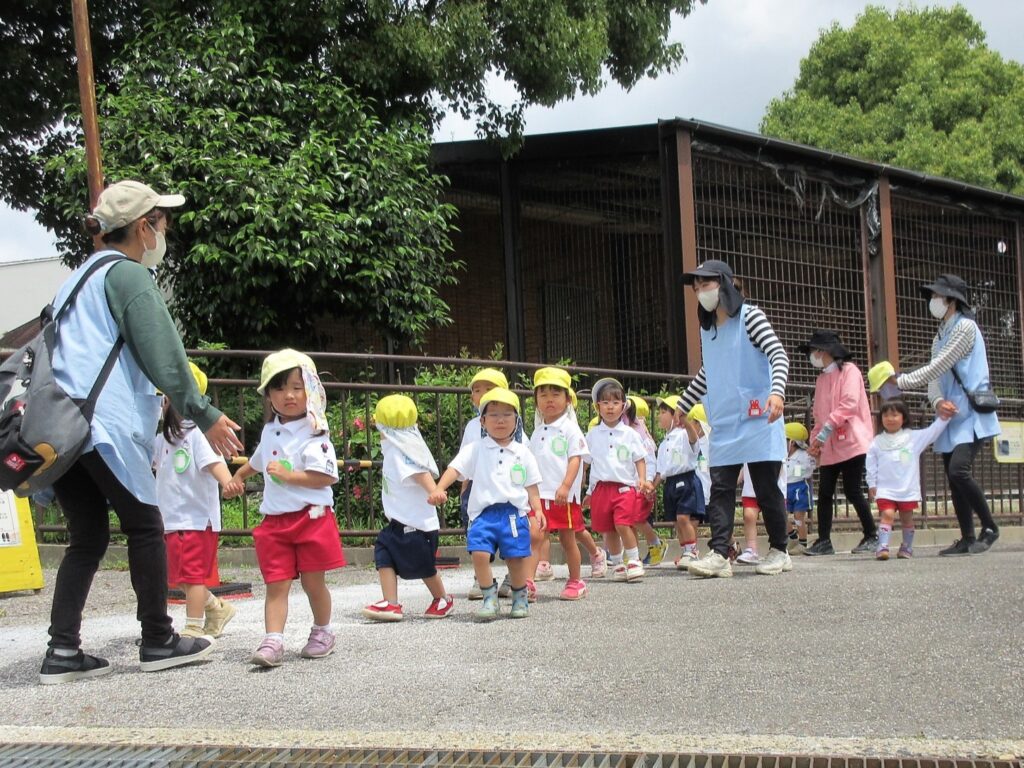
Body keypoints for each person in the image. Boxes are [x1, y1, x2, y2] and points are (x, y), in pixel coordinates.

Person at [40, 180, 242, 685]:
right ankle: (158, 638)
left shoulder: (76, 279)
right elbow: (162, 352)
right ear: (141, 227)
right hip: (101, 423)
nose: (165, 229)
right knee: (147, 526)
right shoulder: (127, 275)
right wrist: (203, 410)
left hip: (61, 425)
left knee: (86, 539)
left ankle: (62, 650)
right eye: (160, 220)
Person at [224, 350, 345, 666]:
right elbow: (258, 460)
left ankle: (323, 631)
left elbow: (326, 476)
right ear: (268, 395)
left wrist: (291, 475)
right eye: (279, 388)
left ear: (311, 390)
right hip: (276, 520)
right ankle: (273, 641)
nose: (289, 395)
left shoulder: (315, 429)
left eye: (297, 387)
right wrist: (238, 477)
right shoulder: (270, 429)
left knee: (312, 582)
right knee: (275, 583)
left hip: (311, 518)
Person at [677, 260, 792, 578]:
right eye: (696, 287)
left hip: (759, 416)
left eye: (707, 284)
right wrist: (683, 403)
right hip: (726, 421)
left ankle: (780, 550)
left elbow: (777, 354)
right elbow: (707, 372)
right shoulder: (708, 328)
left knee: (767, 487)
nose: (701, 292)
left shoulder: (750, 317)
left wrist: (777, 392)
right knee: (721, 487)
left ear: (725, 284)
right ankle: (719, 553)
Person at [890, 274, 1001, 556]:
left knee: (958, 470)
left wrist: (899, 381)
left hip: (972, 413)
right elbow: (934, 381)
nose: (933, 301)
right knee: (952, 477)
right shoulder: (940, 335)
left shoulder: (966, 329)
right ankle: (967, 536)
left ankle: (990, 527)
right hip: (951, 416)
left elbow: (938, 366)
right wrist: (937, 400)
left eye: (937, 296)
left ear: (951, 300)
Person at [431, 389, 545, 620]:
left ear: (517, 420)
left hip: (513, 514)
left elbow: (531, 485)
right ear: (482, 420)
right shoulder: (476, 449)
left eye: (507, 414)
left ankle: (519, 597)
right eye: (493, 415)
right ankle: (489, 599)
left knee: (515, 558)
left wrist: (538, 509)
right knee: (479, 554)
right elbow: (455, 469)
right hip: (482, 514)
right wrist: (439, 487)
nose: (500, 420)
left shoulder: (523, 452)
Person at [154, 362, 236, 639]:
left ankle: (192, 625)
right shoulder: (163, 439)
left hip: (196, 520)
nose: (164, 403)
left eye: (167, 397)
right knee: (179, 578)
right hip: (171, 519)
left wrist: (228, 482)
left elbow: (215, 463)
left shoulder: (199, 435)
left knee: (192, 577)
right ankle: (216, 608)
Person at [362, 395, 454, 621]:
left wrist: (433, 490)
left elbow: (418, 470)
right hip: (398, 522)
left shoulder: (401, 450)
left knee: (423, 566)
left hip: (417, 526)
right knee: (383, 555)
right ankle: (391, 603)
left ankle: (442, 598)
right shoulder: (399, 446)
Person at [798, 329, 879, 556]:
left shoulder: (850, 371)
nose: (812, 356)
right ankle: (824, 540)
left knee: (853, 490)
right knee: (824, 492)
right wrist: (815, 441)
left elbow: (849, 404)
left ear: (824, 352)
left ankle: (872, 534)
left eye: (814, 351)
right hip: (830, 446)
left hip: (852, 441)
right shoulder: (822, 379)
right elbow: (818, 415)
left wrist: (822, 434)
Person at [525, 367, 593, 600]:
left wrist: (565, 486)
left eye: (555, 394)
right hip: (539, 496)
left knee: (567, 539)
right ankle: (528, 582)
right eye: (542, 395)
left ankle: (576, 581)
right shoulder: (537, 432)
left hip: (563, 496)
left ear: (567, 399)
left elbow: (576, 459)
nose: (549, 399)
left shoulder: (570, 428)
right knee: (535, 536)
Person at [582, 378, 652, 582]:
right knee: (607, 528)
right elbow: (587, 465)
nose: (610, 407)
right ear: (598, 407)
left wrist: (641, 479)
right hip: (601, 489)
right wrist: (587, 492)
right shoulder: (593, 435)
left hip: (624, 487)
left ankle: (633, 560)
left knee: (622, 523)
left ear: (623, 406)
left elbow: (639, 458)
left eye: (615, 402)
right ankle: (618, 563)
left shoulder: (630, 434)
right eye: (605, 403)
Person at [865, 399, 950, 560]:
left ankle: (907, 547)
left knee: (907, 518)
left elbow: (932, 431)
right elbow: (870, 464)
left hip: (907, 489)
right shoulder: (877, 441)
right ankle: (882, 546)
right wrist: (872, 483)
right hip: (885, 489)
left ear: (903, 418)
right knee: (887, 515)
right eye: (886, 415)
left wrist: (945, 417)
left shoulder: (913, 437)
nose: (890, 419)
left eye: (894, 415)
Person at [459, 368, 508, 600]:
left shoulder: (511, 423)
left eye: (489, 389)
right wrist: (463, 485)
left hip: (503, 489)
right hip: (475, 490)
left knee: (510, 537)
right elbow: (465, 457)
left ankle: (514, 577)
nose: (482, 394)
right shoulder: (472, 426)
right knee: (477, 536)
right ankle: (482, 579)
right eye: (477, 390)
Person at [649, 396, 704, 570]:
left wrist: (685, 421)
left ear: (675, 415)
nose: (659, 416)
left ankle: (692, 551)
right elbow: (661, 471)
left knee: (683, 517)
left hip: (686, 479)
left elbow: (694, 438)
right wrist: (652, 487)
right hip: (670, 483)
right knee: (676, 521)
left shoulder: (683, 434)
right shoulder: (664, 441)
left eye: (663, 412)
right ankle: (684, 551)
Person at [624, 395, 668, 567]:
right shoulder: (631, 432)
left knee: (637, 518)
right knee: (629, 520)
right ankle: (631, 553)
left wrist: (647, 481)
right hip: (630, 484)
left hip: (641, 485)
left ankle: (656, 543)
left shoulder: (640, 434)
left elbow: (649, 460)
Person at [734, 464, 787, 565]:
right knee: (749, 515)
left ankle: (780, 549)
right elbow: (745, 466)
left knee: (774, 515)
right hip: (750, 487)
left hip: (772, 484)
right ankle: (751, 549)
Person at [783, 422, 815, 554]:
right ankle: (792, 536)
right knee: (781, 514)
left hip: (799, 487)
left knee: (798, 516)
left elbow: (809, 470)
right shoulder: (782, 455)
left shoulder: (804, 455)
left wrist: (796, 471)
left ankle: (802, 543)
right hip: (785, 487)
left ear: (792, 442)